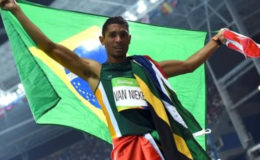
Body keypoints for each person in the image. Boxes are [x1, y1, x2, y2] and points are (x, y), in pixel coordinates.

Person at [0, 0, 226, 159]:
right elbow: (50, 47)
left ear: (129, 39)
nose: (118, 39)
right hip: (128, 151)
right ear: (102, 40)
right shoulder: (95, 72)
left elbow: (188, 65)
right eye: (112, 35)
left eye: (123, 34)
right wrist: (16, 10)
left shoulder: (146, 68)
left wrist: (216, 41)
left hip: (159, 145)